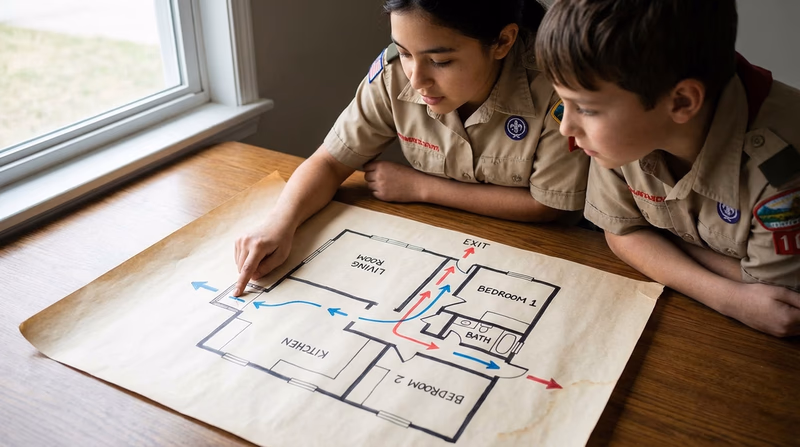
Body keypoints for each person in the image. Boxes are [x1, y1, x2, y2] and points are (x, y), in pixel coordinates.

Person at [233, 0, 590, 296]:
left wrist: (423, 188)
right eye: (404, 53)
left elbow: (548, 205)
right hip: (434, 245)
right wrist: (280, 223)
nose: (416, 79)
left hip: (543, 255)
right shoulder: (394, 74)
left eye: (440, 61)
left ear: (502, 42)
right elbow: (330, 162)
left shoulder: (557, 89)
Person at [535, 0, 800, 336]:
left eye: (585, 109)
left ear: (682, 102)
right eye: (563, 103)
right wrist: (729, 296)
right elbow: (619, 233)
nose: (566, 127)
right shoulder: (624, 127)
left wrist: (655, 239)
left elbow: (779, 303)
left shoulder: (782, 170)